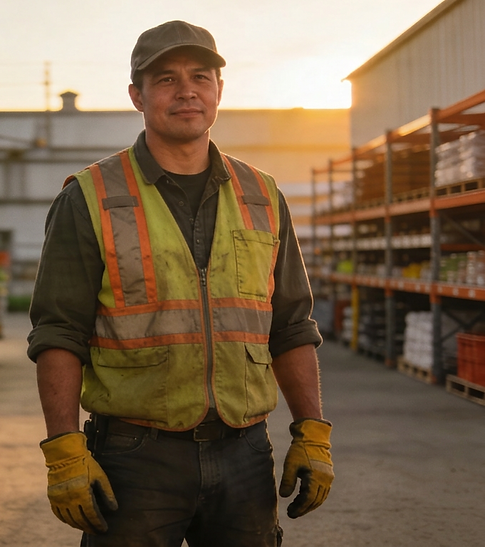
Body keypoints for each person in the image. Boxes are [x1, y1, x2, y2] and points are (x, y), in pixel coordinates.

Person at [28, 20, 334, 547]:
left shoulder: (262, 196)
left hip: (245, 453)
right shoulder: (90, 197)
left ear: (219, 90)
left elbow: (290, 325)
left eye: (201, 76)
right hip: (134, 459)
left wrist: (313, 432)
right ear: (137, 96)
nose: (187, 90)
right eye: (166, 79)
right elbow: (59, 332)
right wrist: (64, 449)